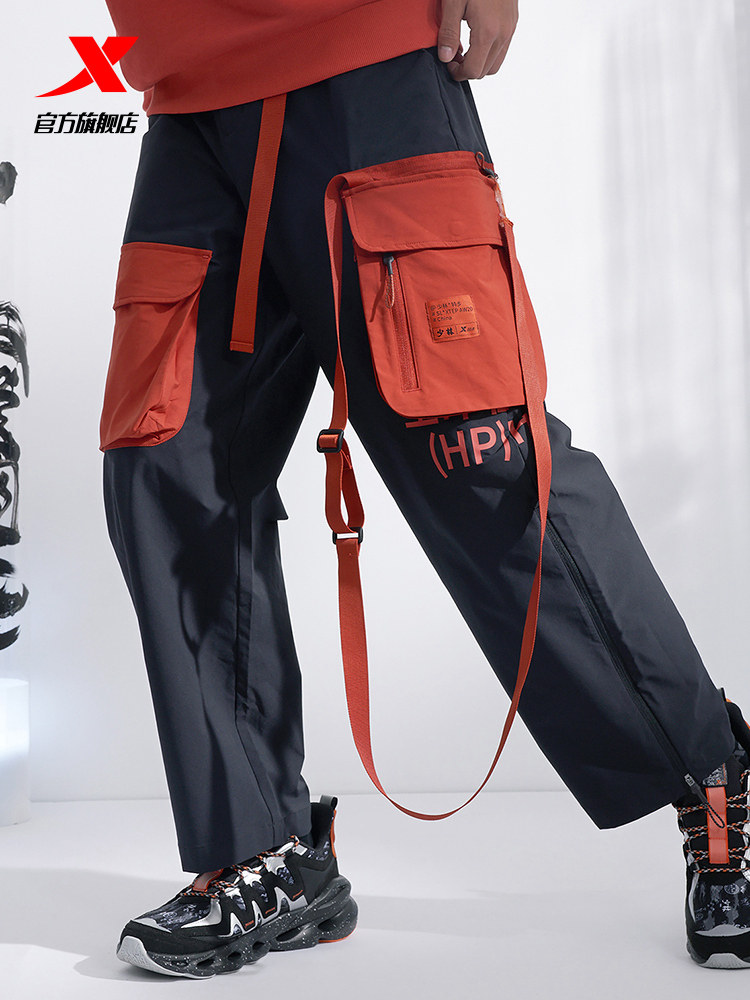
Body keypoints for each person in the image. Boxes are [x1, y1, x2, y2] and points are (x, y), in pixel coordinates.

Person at [98, 0, 750, 977]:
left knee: (480, 457)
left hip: (368, 60)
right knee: (166, 466)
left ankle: (717, 780)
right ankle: (264, 852)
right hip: (188, 90)